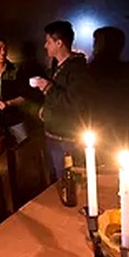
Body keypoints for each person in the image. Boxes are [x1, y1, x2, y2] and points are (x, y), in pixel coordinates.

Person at [31, 20, 94, 180]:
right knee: (55, 182)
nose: (45, 46)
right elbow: (56, 99)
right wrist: (45, 110)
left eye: (48, 42)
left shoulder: (77, 70)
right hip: (53, 135)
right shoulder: (56, 66)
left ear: (59, 43)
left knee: (69, 183)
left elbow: (75, 104)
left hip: (67, 139)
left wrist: (47, 87)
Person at [88, 26, 129, 147]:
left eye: (96, 42)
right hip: (122, 132)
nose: (93, 46)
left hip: (103, 131)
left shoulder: (91, 71)